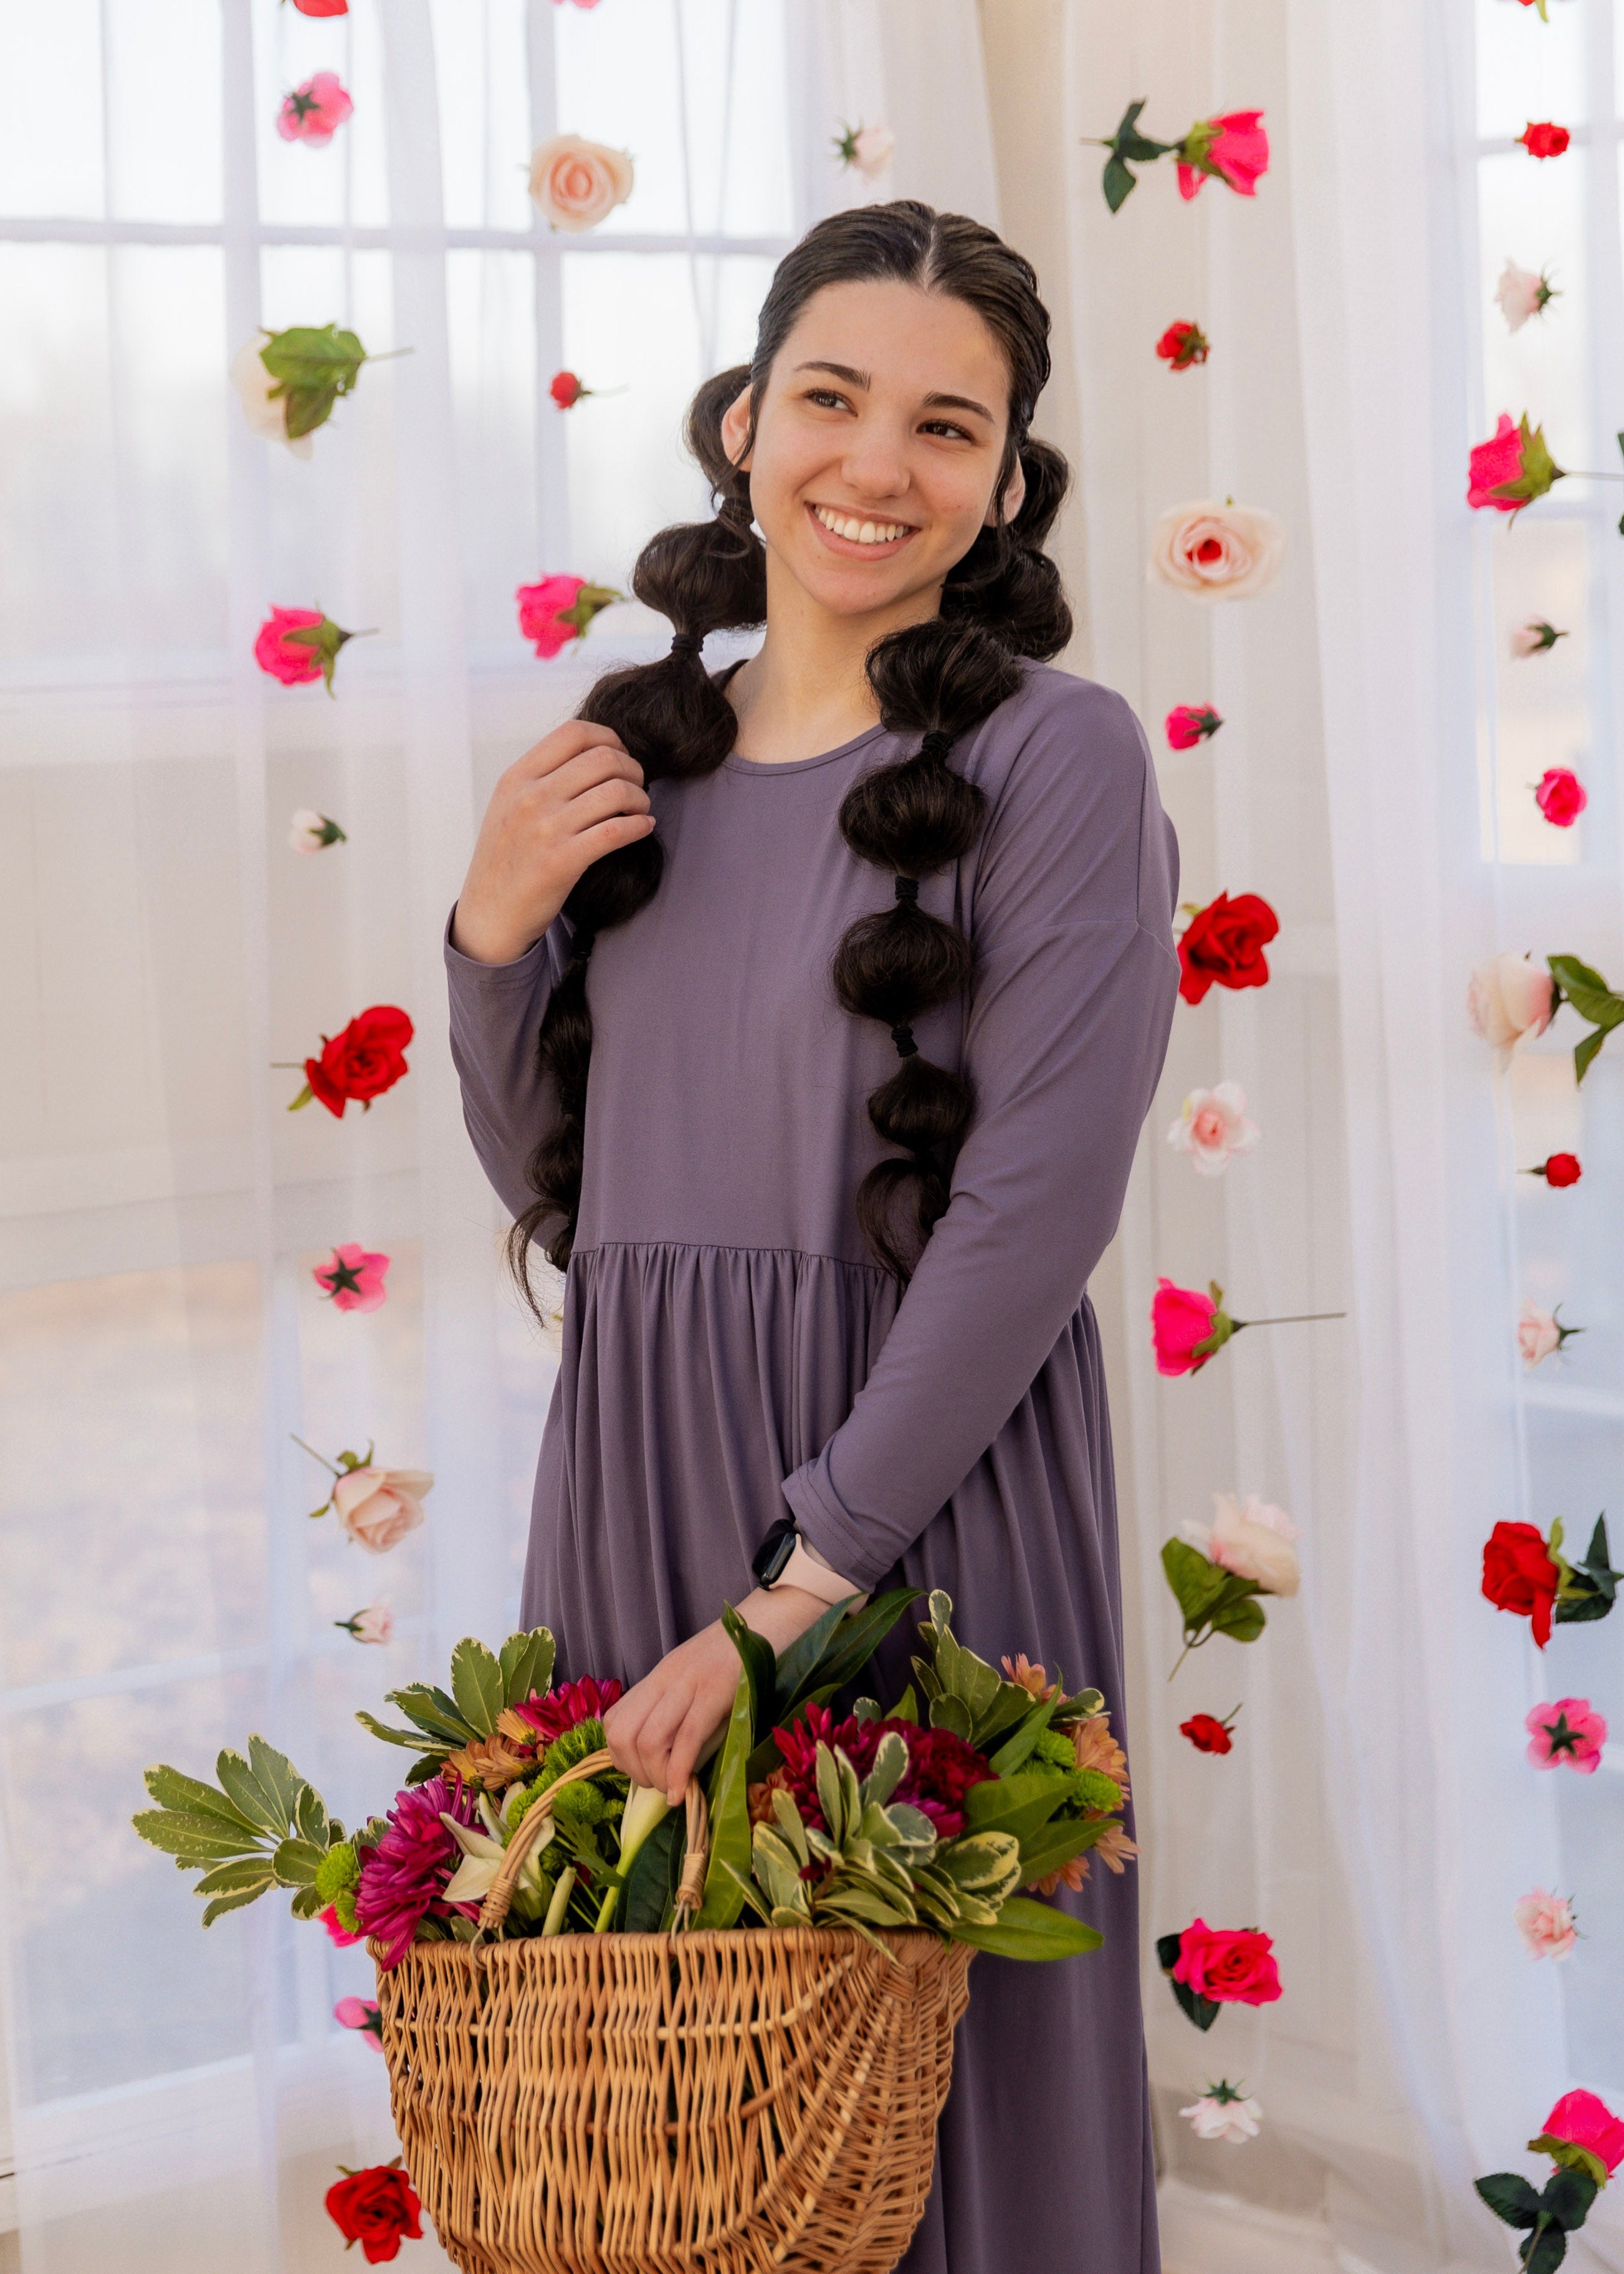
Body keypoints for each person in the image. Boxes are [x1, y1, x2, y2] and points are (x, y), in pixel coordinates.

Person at [446, 199, 1178, 2274]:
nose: (877, 465)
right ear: (747, 421)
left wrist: (797, 1591)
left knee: (934, 2109)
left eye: (949, 428)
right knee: (662, 2121)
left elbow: (1036, 1204)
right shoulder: (630, 756)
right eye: (833, 400)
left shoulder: (1059, 756)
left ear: (1010, 483)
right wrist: (490, 934)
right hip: (635, 1487)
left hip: (906, 1508)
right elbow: (561, 1189)